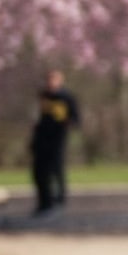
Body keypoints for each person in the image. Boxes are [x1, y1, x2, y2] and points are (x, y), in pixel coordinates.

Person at [29, 70, 82, 216]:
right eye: (49, 79)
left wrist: (67, 124)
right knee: (39, 172)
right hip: (41, 139)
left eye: (54, 80)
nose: (50, 83)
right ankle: (44, 201)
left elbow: (75, 119)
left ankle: (59, 199)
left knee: (56, 169)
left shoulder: (66, 98)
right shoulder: (43, 96)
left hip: (57, 140)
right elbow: (38, 116)